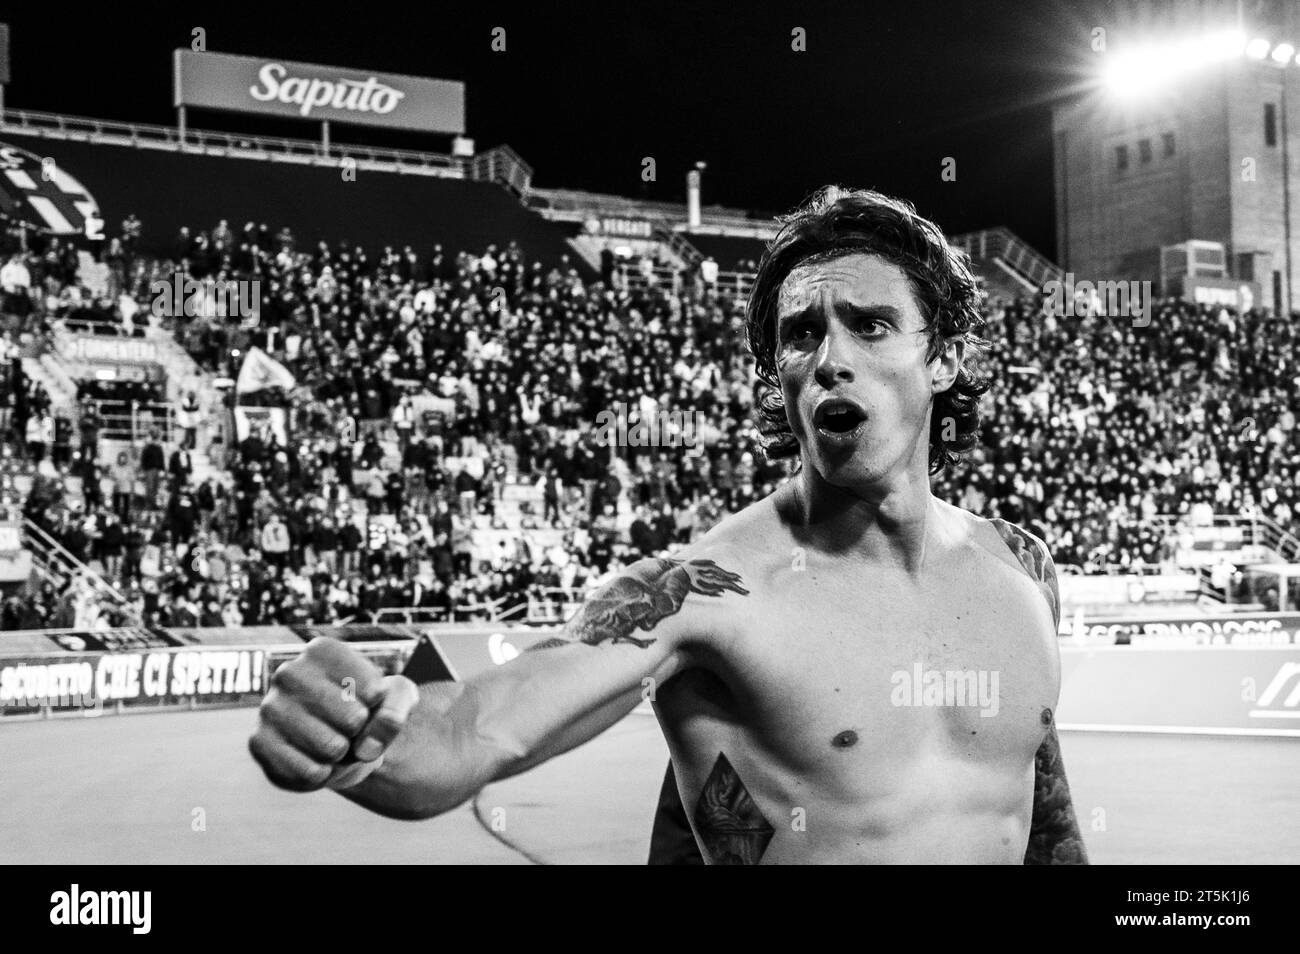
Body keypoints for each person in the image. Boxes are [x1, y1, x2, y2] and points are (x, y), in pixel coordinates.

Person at [249, 187, 1087, 864]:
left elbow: (1043, 814)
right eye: (801, 336)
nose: (831, 357)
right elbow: (471, 732)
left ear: (943, 358)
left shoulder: (1023, 568)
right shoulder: (699, 591)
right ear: (780, 379)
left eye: (869, 324)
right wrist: (356, 737)